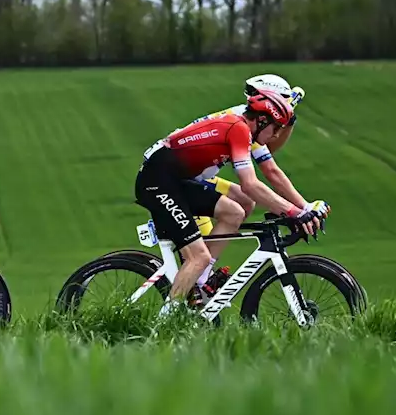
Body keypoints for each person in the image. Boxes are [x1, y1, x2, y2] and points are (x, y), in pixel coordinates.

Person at [136, 88, 326, 304]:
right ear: (262, 121)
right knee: (198, 257)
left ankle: (201, 279)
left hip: (176, 181)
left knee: (234, 212)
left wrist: (296, 211)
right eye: (275, 129)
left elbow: (251, 188)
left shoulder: (242, 129)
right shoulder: (238, 129)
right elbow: (251, 184)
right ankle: (167, 322)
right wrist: (294, 212)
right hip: (157, 182)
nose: (275, 136)